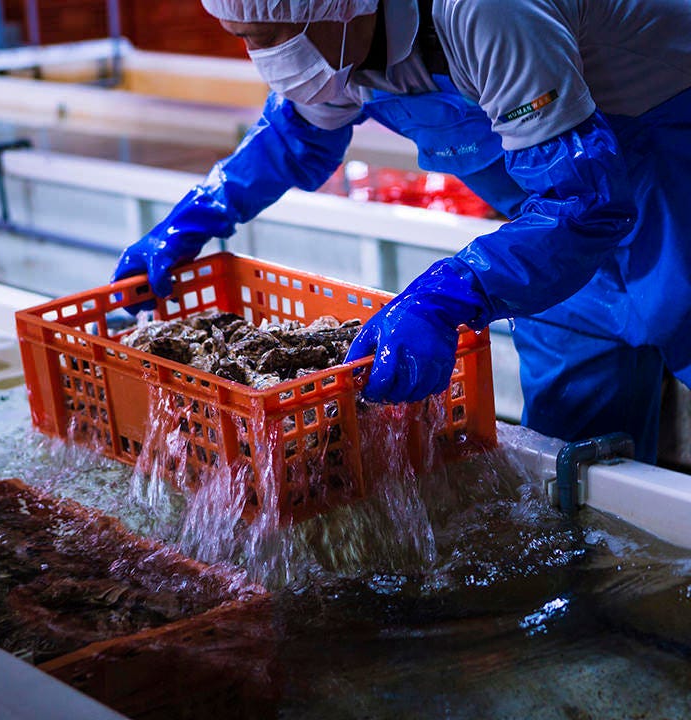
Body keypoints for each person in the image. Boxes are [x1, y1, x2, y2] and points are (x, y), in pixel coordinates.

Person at [112, 0, 691, 464]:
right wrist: (192, 219)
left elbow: (584, 199)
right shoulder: (337, 47)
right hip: (551, 251)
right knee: (577, 459)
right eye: (248, 36)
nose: (268, 57)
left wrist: (450, 294)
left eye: (278, 34)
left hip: (667, 185)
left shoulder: (483, 13)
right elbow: (294, 133)